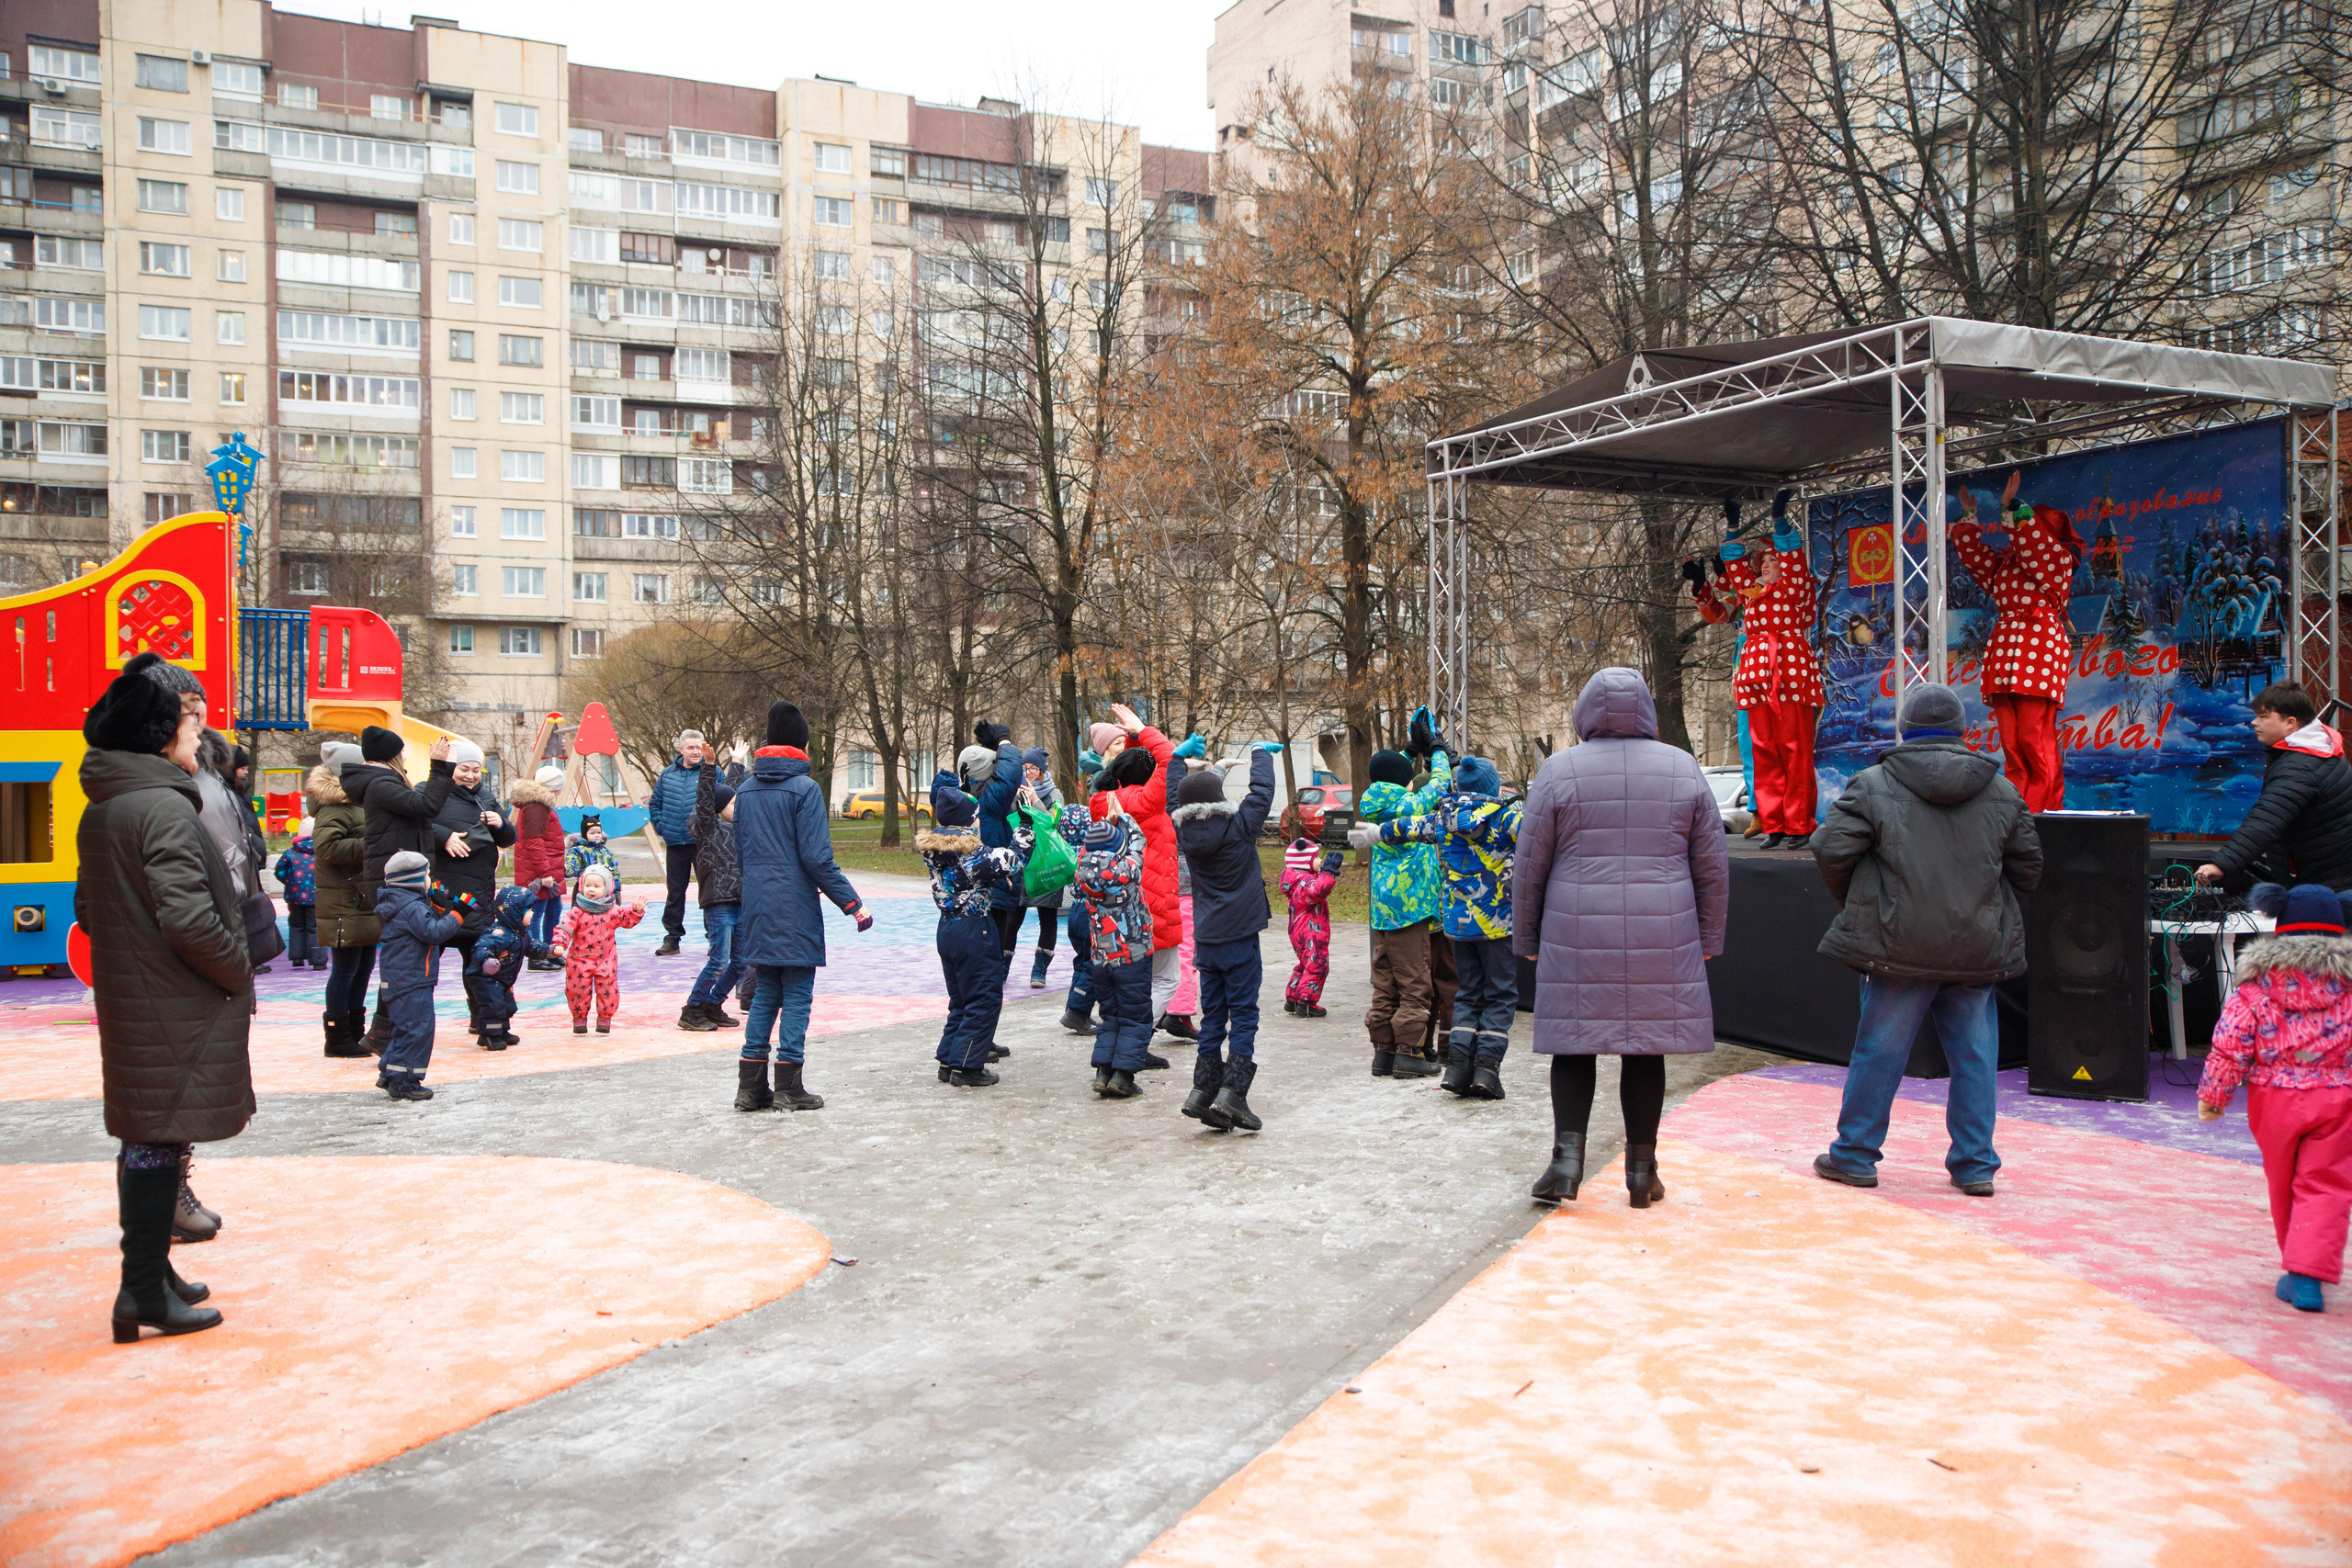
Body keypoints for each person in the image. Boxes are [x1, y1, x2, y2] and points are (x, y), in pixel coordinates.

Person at [1809, 682, 2041, 1197]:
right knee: (1976, 1058)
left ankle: (1854, 1155)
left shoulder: (1871, 784)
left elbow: (1830, 852)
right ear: (1963, 732)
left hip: (1896, 944)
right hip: (1976, 946)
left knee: (1879, 1052)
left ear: (1906, 730)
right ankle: (1976, 1165)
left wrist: (1864, 901)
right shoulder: (2001, 789)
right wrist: (1984, 908)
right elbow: (2029, 869)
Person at [80, 659, 253, 1341]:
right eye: (185, 718)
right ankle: (142, 1290)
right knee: (157, 1136)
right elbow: (188, 919)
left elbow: (92, 909)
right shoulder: (161, 807)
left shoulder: (110, 804)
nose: (196, 728)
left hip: (134, 994)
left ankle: (151, 1274)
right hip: (174, 998)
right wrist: (235, 968)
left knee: (148, 1132)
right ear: (158, 736)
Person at [1516, 668, 1729, 1208]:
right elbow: (1712, 865)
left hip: (1575, 926)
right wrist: (1708, 935)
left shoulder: (1558, 769)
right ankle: (1641, 1172)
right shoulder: (1683, 768)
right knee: (1646, 1049)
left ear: (1585, 711)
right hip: (1666, 929)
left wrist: (1527, 936)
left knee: (1574, 1043)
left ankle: (1566, 1165)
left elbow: (1529, 865)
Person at [2197, 882, 2352, 1314]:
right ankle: (2308, 1276)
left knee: (2284, 1182)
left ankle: (2300, 1272)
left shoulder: (2256, 986)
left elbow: (2231, 1042)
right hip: (2338, 1096)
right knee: (2326, 1184)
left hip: (2274, 1099)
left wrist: (2215, 1094)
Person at [724, 701, 872, 1112]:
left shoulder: (746, 790)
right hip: (793, 907)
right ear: (803, 743)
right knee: (798, 996)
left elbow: (740, 854)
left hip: (756, 905)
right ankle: (790, 1084)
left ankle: (750, 1088)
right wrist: (852, 904)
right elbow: (816, 858)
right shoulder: (806, 790)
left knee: (766, 992)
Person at [1363, 754, 1523, 1096]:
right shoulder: (1508, 817)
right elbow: (1544, 838)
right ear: (1492, 787)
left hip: (1459, 926)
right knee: (1499, 995)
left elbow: (1406, 827)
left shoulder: (1443, 819)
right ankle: (1487, 1070)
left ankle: (1458, 1069)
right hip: (1499, 926)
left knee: (1468, 992)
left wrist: (1375, 833)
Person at [1951, 471, 2081, 813]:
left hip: (2038, 647)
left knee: (2033, 737)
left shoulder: (2058, 561)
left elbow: (2035, 547)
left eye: (2031, 526)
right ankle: (2018, 810)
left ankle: (2042, 813)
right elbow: (1974, 557)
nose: (2020, 534)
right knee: (2011, 741)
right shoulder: (2008, 566)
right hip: (2007, 651)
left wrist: (2011, 507)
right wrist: (1970, 518)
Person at [1703, 490, 1824, 848]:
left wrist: (1780, 519)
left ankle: (1799, 823)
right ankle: (1774, 823)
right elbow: (1736, 565)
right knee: (1764, 751)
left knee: (1794, 749)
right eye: (1764, 561)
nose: (1766, 564)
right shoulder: (1749, 593)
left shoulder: (1795, 589)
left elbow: (1794, 559)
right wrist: (1733, 525)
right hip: (1756, 679)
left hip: (1789, 675)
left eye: (1773, 559)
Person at [1170, 745, 1279, 1131]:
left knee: (1213, 1015)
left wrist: (1176, 761)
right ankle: (1233, 1094)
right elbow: (1262, 792)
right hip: (1241, 936)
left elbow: (1173, 794)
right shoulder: (1241, 827)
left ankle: (1202, 1091)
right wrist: (1262, 753)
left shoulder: (1182, 830)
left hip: (1208, 938)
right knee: (1244, 1015)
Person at [918, 773, 1035, 1089]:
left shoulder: (937, 849)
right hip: (974, 929)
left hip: (947, 928)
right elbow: (1013, 859)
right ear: (967, 821)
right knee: (983, 998)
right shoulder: (970, 853)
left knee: (961, 999)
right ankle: (968, 1064)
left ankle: (949, 1058)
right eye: (976, 817)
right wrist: (1025, 828)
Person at [341, 726, 455, 1050]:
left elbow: (417, 820)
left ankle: (384, 1029)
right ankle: (384, 1030)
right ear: (391, 755)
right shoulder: (380, 784)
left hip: (406, 877)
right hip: (397, 880)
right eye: (401, 751)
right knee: (406, 954)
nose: (405, 756)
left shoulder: (382, 783)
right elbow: (426, 806)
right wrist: (439, 767)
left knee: (408, 951)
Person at [2196, 682, 2352, 893]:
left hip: (2330, 884)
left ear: (2290, 723)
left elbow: (2265, 820)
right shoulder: (2314, 747)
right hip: (2331, 875)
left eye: (2264, 717)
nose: (2254, 722)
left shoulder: (2301, 767)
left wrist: (2222, 863)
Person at [1359, 739, 1453, 1078]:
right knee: (1415, 981)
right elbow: (1440, 783)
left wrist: (1409, 753)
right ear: (1405, 783)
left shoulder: (1374, 802)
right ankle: (1410, 1052)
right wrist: (1438, 751)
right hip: (1410, 911)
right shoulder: (1411, 804)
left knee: (1385, 982)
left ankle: (1383, 1051)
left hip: (1382, 912)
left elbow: (1387, 771)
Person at [1091, 706, 1186, 1035]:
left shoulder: (1105, 800)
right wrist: (1143, 730)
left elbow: (1132, 765)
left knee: (1137, 982)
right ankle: (1135, 1038)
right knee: (1167, 979)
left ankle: (1124, 1043)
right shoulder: (1150, 800)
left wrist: (1133, 738)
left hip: (1121, 905)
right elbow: (1169, 759)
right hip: (1153, 903)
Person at [424, 739, 516, 1039]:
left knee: (479, 961)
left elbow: (508, 838)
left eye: (476, 770)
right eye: (464, 768)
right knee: (424, 960)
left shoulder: (485, 797)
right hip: (442, 890)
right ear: (450, 767)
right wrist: (444, 837)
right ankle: (409, 1021)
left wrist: (500, 824)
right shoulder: (430, 791)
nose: (470, 775)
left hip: (478, 891)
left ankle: (483, 1018)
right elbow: (416, 823)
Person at [373, 849, 469, 1101]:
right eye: (427, 875)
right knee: (418, 1030)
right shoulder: (411, 908)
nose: (430, 879)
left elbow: (421, 928)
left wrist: (437, 906)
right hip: (411, 979)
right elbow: (433, 933)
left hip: (404, 977)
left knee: (405, 1028)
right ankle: (406, 1081)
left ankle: (392, 1073)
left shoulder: (404, 904)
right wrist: (457, 914)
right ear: (414, 880)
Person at [308, 742, 379, 1058]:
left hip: (361, 898)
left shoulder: (356, 802)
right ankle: (336, 1037)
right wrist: (372, 843)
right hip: (344, 900)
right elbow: (327, 849)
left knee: (363, 966)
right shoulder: (334, 806)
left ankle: (353, 1030)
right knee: (345, 969)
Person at [1077, 810, 1153, 1098]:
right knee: (1136, 1016)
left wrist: (1101, 829)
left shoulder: (1080, 870)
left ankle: (1104, 1071)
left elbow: (1090, 848)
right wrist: (1122, 817)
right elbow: (1139, 841)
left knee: (1111, 1015)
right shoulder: (1128, 869)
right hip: (1132, 955)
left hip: (1100, 958)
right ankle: (1123, 1077)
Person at [680, 746, 749, 1031]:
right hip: (719, 903)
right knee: (719, 960)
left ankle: (713, 1003)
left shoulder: (736, 827)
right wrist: (709, 765)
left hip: (741, 901)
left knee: (741, 962)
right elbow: (710, 797)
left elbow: (728, 793)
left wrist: (736, 764)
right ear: (718, 811)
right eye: (733, 806)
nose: (739, 809)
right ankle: (692, 1008)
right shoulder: (707, 828)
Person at [552, 864, 645, 1033]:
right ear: (581, 886)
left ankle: (605, 1017)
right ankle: (579, 1018)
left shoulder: (611, 910)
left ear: (607, 888)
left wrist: (635, 910)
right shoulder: (577, 911)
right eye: (588, 886)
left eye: (596, 886)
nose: (591, 890)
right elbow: (565, 927)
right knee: (577, 989)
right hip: (579, 961)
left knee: (608, 989)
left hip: (605, 960)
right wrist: (560, 943)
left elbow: (626, 919)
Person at [647, 729, 707, 955]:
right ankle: (672, 939)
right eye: (690, 747)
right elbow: (655, 804)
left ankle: (715, 938)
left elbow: (724, 801)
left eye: (698, 747)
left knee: (710, 892)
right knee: (675, 893)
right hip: (675, 844)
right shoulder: (667, 775)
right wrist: (662, 827)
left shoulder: (712, 772)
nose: (695, 751)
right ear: (681, 749)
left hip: (703, 844)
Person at [467, 886, 548, 1049]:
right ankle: (488, 1035)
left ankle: (501, 1031)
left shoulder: (519, 933)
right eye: (528, 910)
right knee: (493, 1005)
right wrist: (487, 960)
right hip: (485, 978)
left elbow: (531, 947)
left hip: (502, 979)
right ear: (515, 912)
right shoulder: (499, 933)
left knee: (508, 1005)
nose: (532, 914)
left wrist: (548, 950)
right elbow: (480, 948)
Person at [510, 762, 569, 965]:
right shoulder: (536, 806)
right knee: (537, 912)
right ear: (554, 786)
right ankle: (536, 954)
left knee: (554, 909)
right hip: (539, 871)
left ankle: (550, 950)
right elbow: (534, 841)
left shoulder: (541, 805)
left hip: (549, 867)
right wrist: (545, 873)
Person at [1019, 748, 1067, 988]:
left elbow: (1054, 823)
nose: (1028, 773)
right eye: (1024, 768)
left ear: (1042, 772)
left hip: (1047, 860)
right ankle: (1002, 965)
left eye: (1033, 769)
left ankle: (1040, 968)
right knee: (1012, 915)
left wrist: (1035, 801)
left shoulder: (1055, 794)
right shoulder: (1015, 791)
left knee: (1047, 915)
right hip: (1022, 859)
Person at [1280, 837, 1342, 1018]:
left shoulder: (1296, 880)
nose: (1320, 861)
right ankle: (1306, 1002)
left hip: (1299, 932)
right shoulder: (1304, 883)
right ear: (1304, 862)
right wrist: (1329, 872)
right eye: (1316, 858)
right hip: (1310, 932)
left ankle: (1293, 997)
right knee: (1318, 965)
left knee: (1305, 964)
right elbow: (1318, 890)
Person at [274, 818, 321, 971]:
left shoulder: (290, 853)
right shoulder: (320, 853)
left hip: (294, 898)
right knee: (315, 927)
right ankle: (318, 959)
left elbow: (279, 871)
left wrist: (290, 882)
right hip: (315, 897)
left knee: (296, 925)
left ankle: (297, 957)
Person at [566, 814, 621, 901]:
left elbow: (614, 869)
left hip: (604, 888)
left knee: (607, 912)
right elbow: (572, 867)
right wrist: (565, 869)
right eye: (592, 833)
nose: (597, 835)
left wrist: (616, 888)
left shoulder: (605, 851)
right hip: (584, 888)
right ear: (584, 834)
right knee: (581, 912)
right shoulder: (578, 850)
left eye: (599, 833)